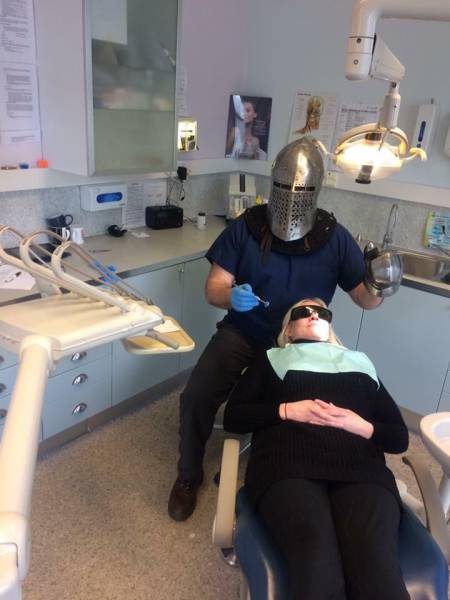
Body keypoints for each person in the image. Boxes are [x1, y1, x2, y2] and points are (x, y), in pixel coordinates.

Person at [168, 137, 401, 522]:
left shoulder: (333, 237)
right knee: (197, 394)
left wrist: (380, 284)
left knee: (314, 411)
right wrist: (231, 297)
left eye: (302, 192)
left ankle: (307, 475)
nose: (292, 200)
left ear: (316, 192)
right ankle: (188, 475)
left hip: (304, 343)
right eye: (283, 189)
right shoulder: (247, 227)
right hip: (245, 331)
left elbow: (364, 299)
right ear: (273, 185)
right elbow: (214, 288)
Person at [223, 298, 410, 600]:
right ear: (289, 330)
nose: (313, 315)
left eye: (321, 312)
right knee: (316, 557)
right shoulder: (271, 359)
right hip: (287, 466)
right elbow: (234, 417)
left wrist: (360, 425)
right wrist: (286, 410)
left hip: (361, 470)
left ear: (330, 327)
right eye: (302, 312)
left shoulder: (360, 363)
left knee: (374, 560)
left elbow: (399, 438)